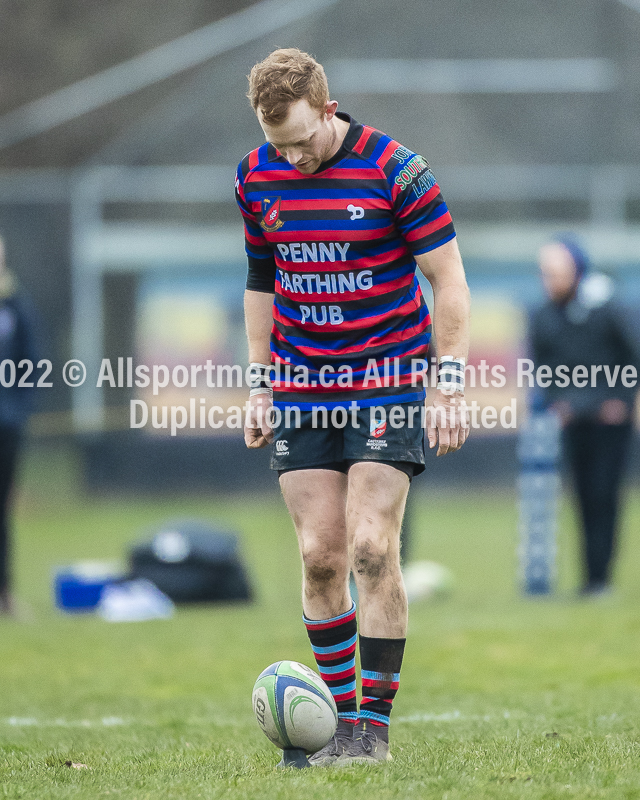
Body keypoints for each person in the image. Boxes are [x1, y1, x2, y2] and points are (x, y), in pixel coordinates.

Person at [235, 48, 470, 765]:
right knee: (318, 557)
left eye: (303, 138)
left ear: (328, 109)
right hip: (303, 381)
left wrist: (449, 380)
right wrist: (259, 382)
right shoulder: (254, 177)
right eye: (280, 144)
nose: (294, 155)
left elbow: (449, 280)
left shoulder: (397, 170)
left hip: (388, 375)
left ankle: (372, 732)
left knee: (371, 546)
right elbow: (261, 286)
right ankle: (334, 727)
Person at [529, 236, 640, 597]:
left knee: (604, 494)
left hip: (609, 421)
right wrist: (557, 401)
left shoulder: (609, 307)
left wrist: (621, 400)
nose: (550, 282)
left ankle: (600, 578)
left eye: (556, 273)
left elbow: (631, 354)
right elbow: (543, 365)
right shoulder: (546, 314)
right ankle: (591, 579)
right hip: (574, 419)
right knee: (582, 496)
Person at [0, 235, 38, 616]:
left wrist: (18, 410)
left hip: (7, 426)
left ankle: (5, 595)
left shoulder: (15, 306)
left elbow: (31, 361)